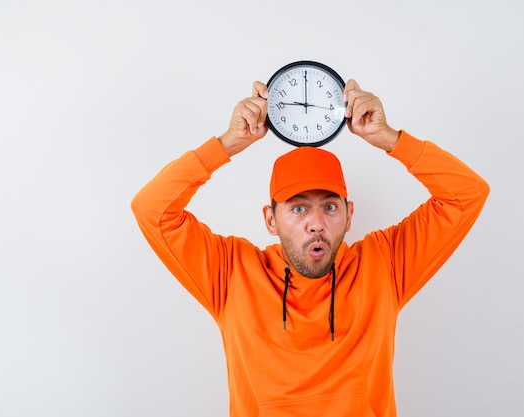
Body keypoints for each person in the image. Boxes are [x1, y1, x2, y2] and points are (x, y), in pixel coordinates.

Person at [131, 78, 490, 417]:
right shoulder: (231, 273)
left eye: (330, 206)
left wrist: (389, 138)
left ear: (349, 216)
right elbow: (152, 209)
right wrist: (227, 144)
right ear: (271, 221)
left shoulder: (384, 264)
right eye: (298, 207)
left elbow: (467, 195)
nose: (316, 222)